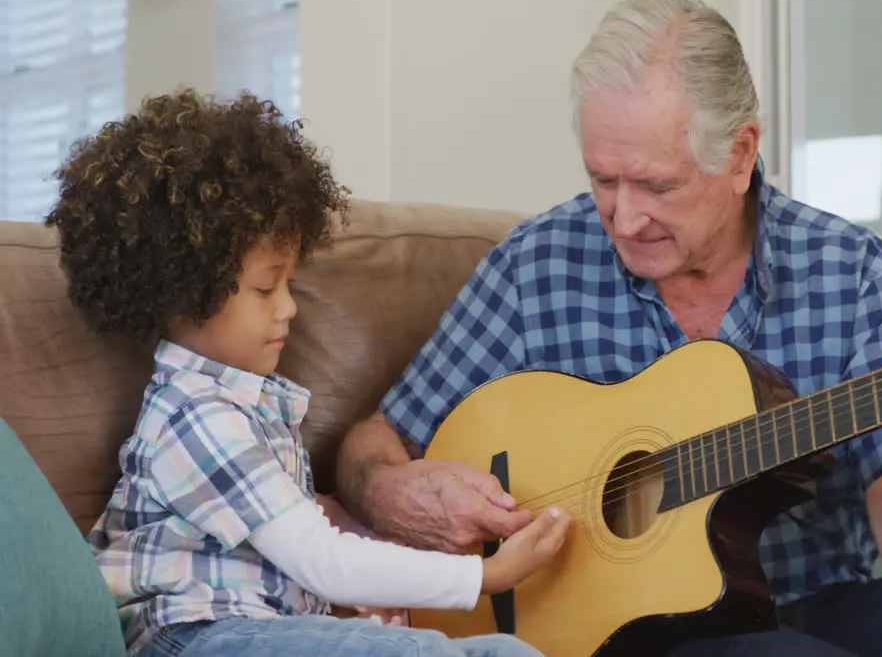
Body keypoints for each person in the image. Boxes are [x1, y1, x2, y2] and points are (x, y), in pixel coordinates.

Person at [333, 0, 882, 656]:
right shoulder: (537, 266)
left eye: (655, 184)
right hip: (636, 636)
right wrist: (394, 491)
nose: (622, 216)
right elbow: (375, 441)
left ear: (741, 153)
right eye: (602, 179)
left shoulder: (851, 268)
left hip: (820, 603)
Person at [48, 89, 571, 657]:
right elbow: (321, 560)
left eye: (290, 284)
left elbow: (301, 573)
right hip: (191, 636)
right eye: (265, 288)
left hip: (256, 629)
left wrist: (359, 604)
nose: (289, 307)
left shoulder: (249, 407)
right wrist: (485, 579)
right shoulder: (196, 414)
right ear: (183, 293)